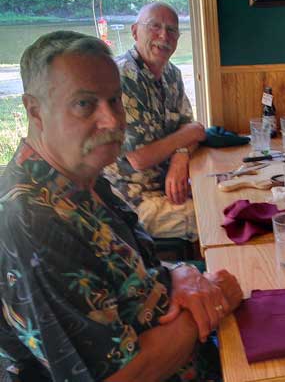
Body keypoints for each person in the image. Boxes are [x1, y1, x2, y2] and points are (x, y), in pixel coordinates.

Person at [0, 31, 242, 381]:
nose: (112, 120)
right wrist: (214, 301)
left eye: (115, 100)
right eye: (85, 103)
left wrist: (178, 274)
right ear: (35, 111)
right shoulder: (29, 221)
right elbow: (119, 376)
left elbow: (127, 271)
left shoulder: (86, 175)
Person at [103, 2, 205, 242]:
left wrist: (181, 156)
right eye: (155, 27)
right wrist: (186, 137)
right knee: (217, 217)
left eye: (171, 30)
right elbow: (140, 159)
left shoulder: (172, 74)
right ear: (135, 31)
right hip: (131, 200)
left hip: (170, 186)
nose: (163, 36)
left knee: (227, 192)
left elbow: (192, 131)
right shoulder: (121, 77)